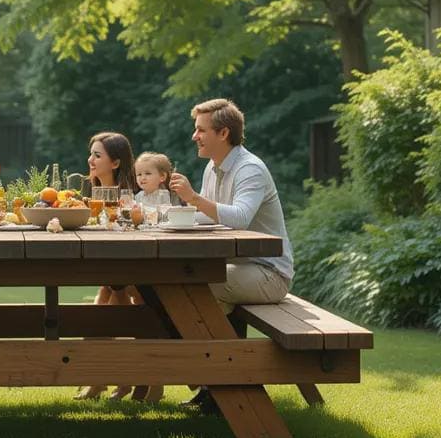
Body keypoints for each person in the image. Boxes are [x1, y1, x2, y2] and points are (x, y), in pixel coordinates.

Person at [168, 98, 293, 411]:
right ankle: (219, 385)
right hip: (237, 270)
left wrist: (193, 198)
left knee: (188, 289)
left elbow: (238, 217)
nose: (194, 136)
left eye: (200, 130)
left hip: (268, 273)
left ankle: (216, 380)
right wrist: (166, 215)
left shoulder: (250, 168)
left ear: (223, 133)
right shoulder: (214, 167)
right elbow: (210, 216)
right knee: (188, 288)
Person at [74, 132, 150, 401]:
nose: (90, 160)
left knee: (113, 300)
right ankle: (107, 379)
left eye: (97, 155)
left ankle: (136, 380)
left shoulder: (132, 196)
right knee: (103, 301)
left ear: (116, 163)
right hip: (114, 268)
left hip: (140, 269)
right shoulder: (92, 194)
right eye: (91, 154)